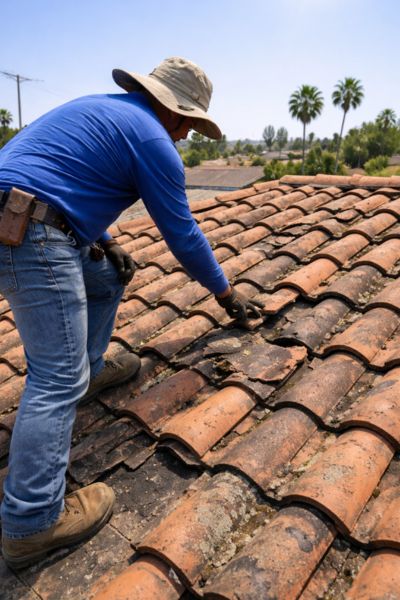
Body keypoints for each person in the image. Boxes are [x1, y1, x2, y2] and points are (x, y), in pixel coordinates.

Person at [0, 56, 262, 568]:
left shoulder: (101, 109)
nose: (186, 135)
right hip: (31, 235)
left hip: (20, 214)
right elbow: (183, 234)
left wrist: (105, 239)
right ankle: (31, 522)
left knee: (108, 276)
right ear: (172, 111)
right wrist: (226, 294)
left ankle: (91, 369)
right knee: (55, 378)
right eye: (187, 122)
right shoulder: (154, 142)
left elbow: (57, 178)